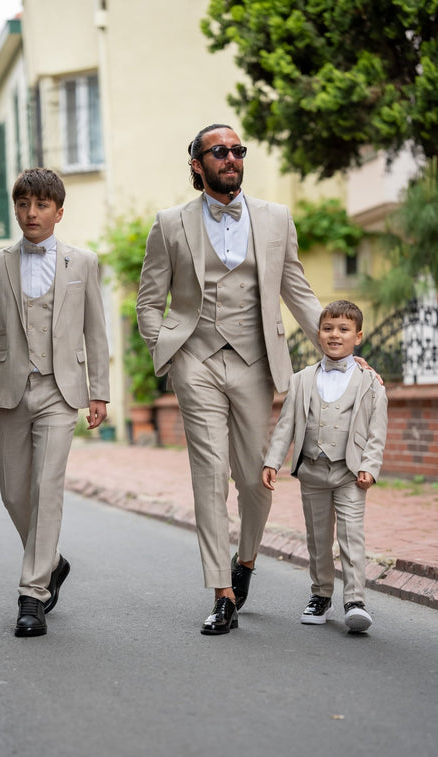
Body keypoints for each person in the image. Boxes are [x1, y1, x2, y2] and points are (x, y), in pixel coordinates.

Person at [136, 123, 324, 635]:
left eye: (237, 150)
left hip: (255, 361)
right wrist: (167, 353)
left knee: (254, 477)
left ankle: (245, 562)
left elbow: (299, 293)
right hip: (195, 360)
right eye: (219, 151)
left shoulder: (276, 219)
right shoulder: (170, 224)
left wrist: (342, 350)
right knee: (210, 472)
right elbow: (149, 302)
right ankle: (221, 591)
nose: (231, 158)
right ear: (197, 164)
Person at [0, 168, 110, 637]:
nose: (31, 213)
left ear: (59, 212)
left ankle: (32, 594)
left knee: (47, 488)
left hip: (61, 390)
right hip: (10, 390)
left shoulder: (83, 263)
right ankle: (52, 560)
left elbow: (96, 331)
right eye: (24, 204)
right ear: (16, 208)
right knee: (14, 492)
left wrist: (99, 391)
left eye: (42, 205)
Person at [262, 300, 388, 632]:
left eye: (344, 329)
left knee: (351, 536)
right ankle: (320, 595)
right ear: (318, 334)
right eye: (328, 328)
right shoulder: (302, 379)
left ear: (357, 336)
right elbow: (286, 424)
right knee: (317, 538)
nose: (335, 335)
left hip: (350, 472)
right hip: (313, 471)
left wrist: (370, 467)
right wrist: (273, 461)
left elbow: (377, 430)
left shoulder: (370, 382)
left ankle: (355, 600)